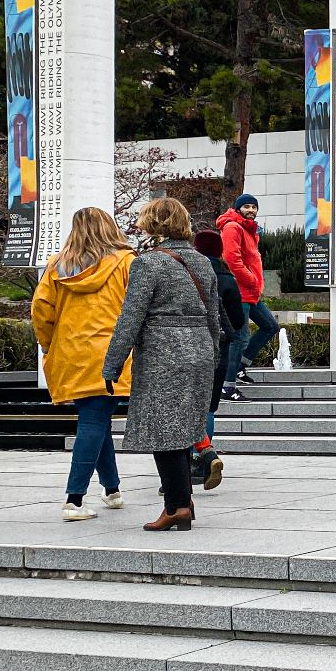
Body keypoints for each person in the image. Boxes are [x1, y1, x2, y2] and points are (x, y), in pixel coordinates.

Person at [103, 198, 223, 532]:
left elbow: (131, 317)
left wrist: (112, 363)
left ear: (154, 224)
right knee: (185, 427)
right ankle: (183, 500)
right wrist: (211, 355)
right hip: (199, 351)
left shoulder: (148, 263)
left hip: (163, 353)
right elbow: (214, 315)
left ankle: (177, 507)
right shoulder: (202, 261)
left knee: (164, 432)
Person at [31, 207, 134, 521]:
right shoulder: (126, 262)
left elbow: (41, 311)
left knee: (95, 417)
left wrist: (50, 345)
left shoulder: (57, 266)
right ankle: (74, 499)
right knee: (93, 421)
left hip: (71, 352)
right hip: (111, 353)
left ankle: (112, 489)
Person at [191, 228, 247, 489]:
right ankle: (205, 456)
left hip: (190, 345)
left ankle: (192, 458)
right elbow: (237, 319)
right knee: (209, 407)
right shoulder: (226, 276)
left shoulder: (189, 272)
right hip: (219, 346)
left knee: (188, 405)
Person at [217, 194, 276, 392]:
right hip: (240, 292)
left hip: (251, 293)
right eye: (247, 207)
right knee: (239, 338)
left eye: (254, 207)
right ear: (238, 208)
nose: (251, 210)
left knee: (270, 326)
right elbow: (232, 261)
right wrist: (251, 280)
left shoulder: (248, 229)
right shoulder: (232, 227)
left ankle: (241, 366)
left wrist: (256, 285)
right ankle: (228, 386)